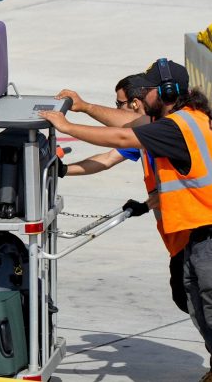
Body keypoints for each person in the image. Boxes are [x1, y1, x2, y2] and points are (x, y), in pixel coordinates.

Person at [40, 59, 211, 381]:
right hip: (190, 233)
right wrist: (84, 108)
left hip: (205, 231)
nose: (139, 99)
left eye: (147, 91)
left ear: (167, 91)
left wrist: (67, 127)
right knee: (190, 297)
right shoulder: (175, 120)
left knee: (208, 304)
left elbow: (121, 137)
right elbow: (126, 127)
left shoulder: (176, 127)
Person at [58, 76, 190, 314]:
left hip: (192, 235)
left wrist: (74, 119)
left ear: (135, 103)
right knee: (187, 300)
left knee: (196, 302)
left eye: (119, 104)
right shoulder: (145, 136)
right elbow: (108, 159)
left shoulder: (161, 131)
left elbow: (121, 131)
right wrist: (64, 170)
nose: (116, 109)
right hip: (176, 237)